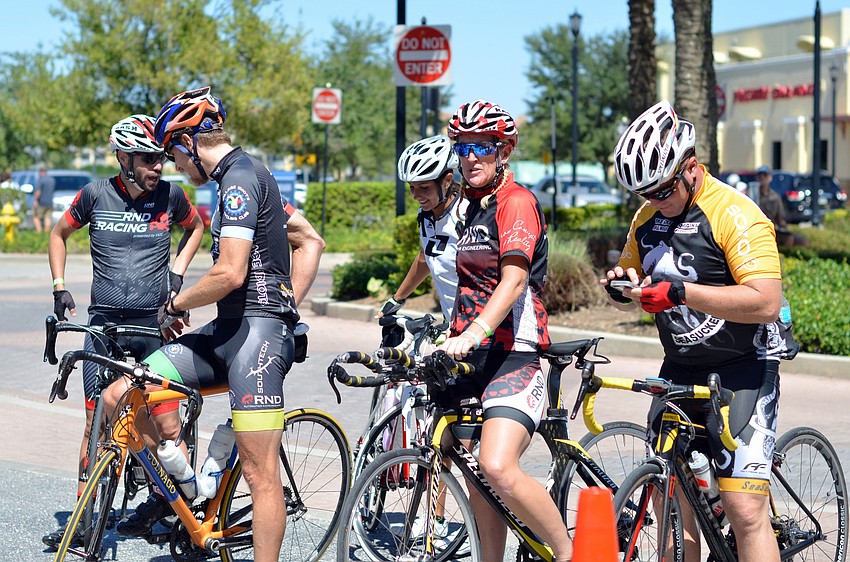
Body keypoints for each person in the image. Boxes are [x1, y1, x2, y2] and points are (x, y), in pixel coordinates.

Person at [103, 86, 325, 561]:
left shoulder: (242, 179)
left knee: (260, 473)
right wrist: (291, 301)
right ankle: (188, 486)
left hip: (258, 339)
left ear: (189, 143)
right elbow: (310, 238)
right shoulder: (235, 181)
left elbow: (230, 272)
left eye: (174, 155)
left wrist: (178, 303)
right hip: (228, 332)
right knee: (122, 393)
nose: (176, 167)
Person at [601, 100, 797, 562]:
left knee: (745, 511)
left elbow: (766, 302)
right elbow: (634, 268)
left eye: (663, 190)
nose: (654, 201)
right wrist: (620, 282)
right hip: (682, 367)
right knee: (676, 504)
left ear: (690, 167)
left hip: (745, 365)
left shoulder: (734, 213)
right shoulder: (648, 217)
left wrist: (682, 293)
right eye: (644, 194)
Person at [43, 114, 205, 549]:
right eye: (148, 160)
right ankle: (83, 517)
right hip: (104, 327)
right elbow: (58, 235)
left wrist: (177, 272)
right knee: (96, 423)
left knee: (166, 424)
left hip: (153, 328)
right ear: (124, 158)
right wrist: (60, 287)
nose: (158, 168)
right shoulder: (95, 194)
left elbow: (197, 227)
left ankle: (174, 507)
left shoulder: (171, 196)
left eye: (160, 160)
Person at [438, 99, 571, 562]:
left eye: (482, 146)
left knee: (498, 466)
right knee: (475, 473)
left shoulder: (516, 202)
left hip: (517, 352)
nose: (471, 156)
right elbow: (465, 283)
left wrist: (473, 332)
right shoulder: (471, 207)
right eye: (463, 147)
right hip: (474, 354)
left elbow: (513, 281)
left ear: (503, 151)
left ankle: (571, 552)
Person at [378, 134, 467, 322]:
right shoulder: (425, 215)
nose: (416, 195)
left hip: (479, 325)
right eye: (412, 187)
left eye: (424, 187)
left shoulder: (466, 214)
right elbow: (426, 256)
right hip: (453, 322)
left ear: (447, 180)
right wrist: (398, 298)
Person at [755, 165, 796, 246]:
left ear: (770, 178)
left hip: (770, 231)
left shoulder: (775, 197)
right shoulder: (753, 195)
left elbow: (781, 219)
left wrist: (784, 232)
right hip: (755, 230)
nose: (762, 178)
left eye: (765, 175)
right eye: (760, 176)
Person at [33, 165, 56, 233]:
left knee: (36, 216)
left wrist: (35, 200)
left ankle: (39, 232)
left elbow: (38, 192)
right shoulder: (52, 180)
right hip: (49, 202)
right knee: (47, 217)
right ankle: (46, 232)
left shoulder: (40, 180)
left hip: (41, 202)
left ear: (40, 172)